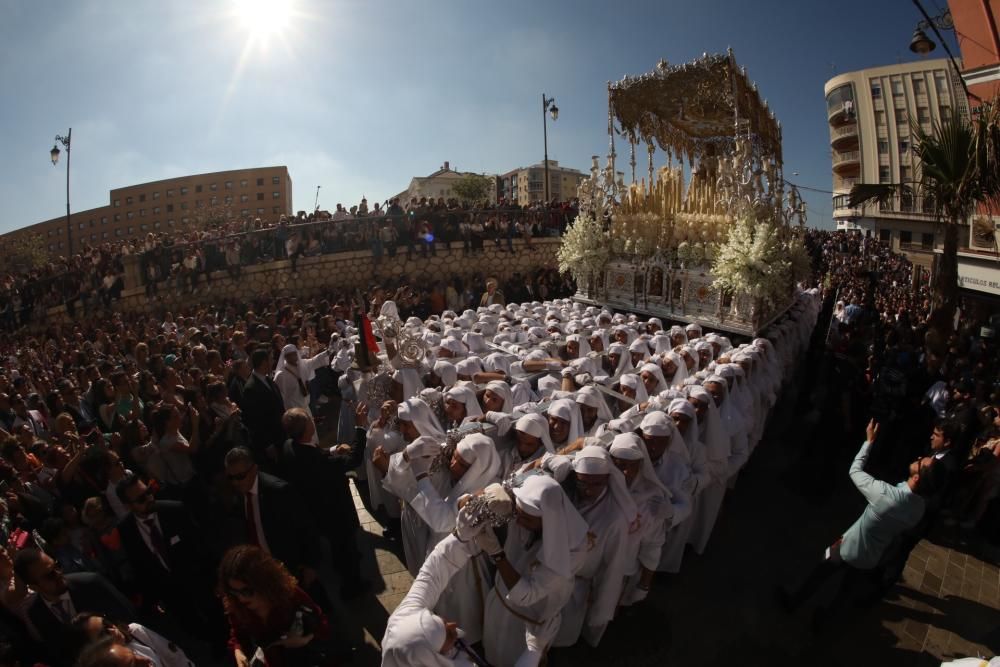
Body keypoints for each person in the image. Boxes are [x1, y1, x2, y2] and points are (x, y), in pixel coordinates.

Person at [780, 419, 941, 624]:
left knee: (819, 574)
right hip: (871, 557)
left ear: (917, 477)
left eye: (921, 462)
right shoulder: (919, 508)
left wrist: (869, 441)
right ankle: (824, 623)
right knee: (844, 594)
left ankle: (793, 603)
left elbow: (854, 471)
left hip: (848, 547)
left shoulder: (886, 494)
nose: (919, 457)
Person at [481, 474, 590, 667]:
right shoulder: (525, 515)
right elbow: (524, 474)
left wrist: (497, 554)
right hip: (499, 603)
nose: (519, 522)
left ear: (549, 521)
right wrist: (491, 494)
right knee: (490, 653)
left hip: (527, 627)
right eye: (518, 513)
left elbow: (525, 596)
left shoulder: (571, 552)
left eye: (527, 520)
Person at [115, 474, 222, 641]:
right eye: (141, 499)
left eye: (149, 491)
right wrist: (152, 599)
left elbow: (201, 545)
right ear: (128, 506)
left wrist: (217, 578)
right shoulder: (126, 529)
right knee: (194, 630)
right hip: (171, 595)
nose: (150, 498)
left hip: (199, 582)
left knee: (217, 621)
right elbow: (139, 566)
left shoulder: (175, 510)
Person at [279, 406, 369, 600]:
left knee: (339, 548)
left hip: (317, 508)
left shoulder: (289, 446)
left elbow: (316, 453)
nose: (313, 420)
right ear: (307, 429)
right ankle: (353, 587)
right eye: (310, 419)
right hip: (335, 511)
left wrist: (333, 449)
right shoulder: (317, 462)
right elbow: (353, 460)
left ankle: (346, 574)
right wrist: (360, 428)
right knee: (346, 548)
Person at [223, 447, 323, 600]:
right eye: (231, 478)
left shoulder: (278, 492)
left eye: (240, 476)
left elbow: (306, 527)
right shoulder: (239, 497)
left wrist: (310, 564)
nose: (235, 482)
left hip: (292, 567)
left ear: (254, 469)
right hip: (266, 571)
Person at [13, 549, 135, 663]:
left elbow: (129, 617)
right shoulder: (36, 614)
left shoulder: (92, 584)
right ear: (34, 587)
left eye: (57, 565)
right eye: (49, 575)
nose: (59, 574)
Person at [219, 545, 333, 667]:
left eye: (246, 591)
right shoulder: (236, 605)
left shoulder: (288, 594)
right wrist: (238, 651)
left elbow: (322, 624)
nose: (241, 598)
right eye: (234, 592)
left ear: (262, 582)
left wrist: (303, 641)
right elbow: (238, 635)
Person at [69, 612, 194, 667]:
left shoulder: (135, 632)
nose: (112, 630)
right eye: (103, 634)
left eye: (107, 623)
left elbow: (176, 658)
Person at [239, 348, 286, 462]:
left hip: (280, 434)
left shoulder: (266, 379)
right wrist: (268, 444)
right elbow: (254, 420)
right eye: (271, 359)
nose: (273, 361)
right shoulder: (251, 388)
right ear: (264, 363)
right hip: (271, 440)